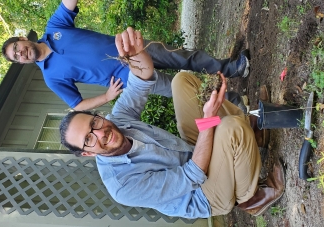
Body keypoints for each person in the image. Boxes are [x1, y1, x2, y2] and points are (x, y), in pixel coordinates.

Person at [59, 27, 285, 218]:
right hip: (204, 194)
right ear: (87, 153)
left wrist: (137, 55)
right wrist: (208, 122)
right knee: (230, 128)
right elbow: (192, 176)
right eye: (89, 139)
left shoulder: (117, 120)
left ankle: (254, 134)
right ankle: (249, 197)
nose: (100, 133)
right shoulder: (122, 186)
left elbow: (141, 79)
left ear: (98, 116)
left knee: (182, 82)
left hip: (191, 153)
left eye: (94, 123)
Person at [1, 0, 250, 111]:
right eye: (16, 57)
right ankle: (234, 101)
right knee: (181, 90)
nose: (20, 53)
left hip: (133, 49)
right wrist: (107, 96)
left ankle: (232, 68)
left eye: (16, 48)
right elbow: (77, 105)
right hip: (132, 79)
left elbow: (68, 3)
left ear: (22, 39)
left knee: (186, 57)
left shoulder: (55, 28)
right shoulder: (51, 78)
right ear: (21, 62)